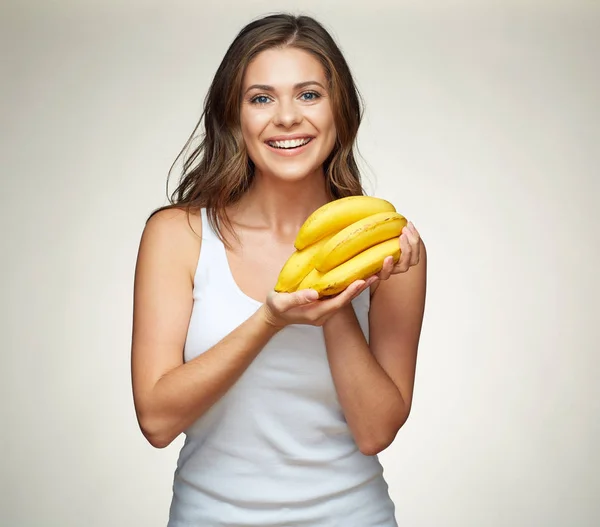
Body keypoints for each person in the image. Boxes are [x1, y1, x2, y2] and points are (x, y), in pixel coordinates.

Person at [131, 12, 427, 527]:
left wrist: (333, 304)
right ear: (234, 117)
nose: (287, 117)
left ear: (341, 111)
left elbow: (375, 432)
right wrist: (270, 319)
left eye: (309, 94)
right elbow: (156, 420)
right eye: (261, 98)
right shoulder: (179, 236)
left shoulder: (387, 247)